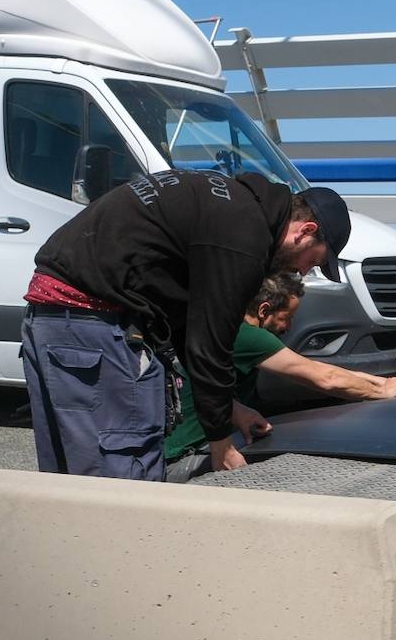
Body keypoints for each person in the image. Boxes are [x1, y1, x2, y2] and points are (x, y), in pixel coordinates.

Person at [21, 169, 351, 481]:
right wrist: (221, 442)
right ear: (305, 231)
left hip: (52, 321)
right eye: (316, 261)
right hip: (96, 325)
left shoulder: (224, 202)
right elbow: (212, 343)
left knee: (70, 476)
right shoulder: (244, 236)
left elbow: (187, 324)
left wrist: (231, 410)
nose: (304, 272)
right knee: (122, 480)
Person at [164, 273, 396, 483]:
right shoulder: (247, 336)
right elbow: (325, 379)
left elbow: (316, 367)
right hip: (185, 461)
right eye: (287, 317)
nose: (288, 326)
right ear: (264, 311)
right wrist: (381, 393)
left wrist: (382, 382)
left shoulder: (231, 327)